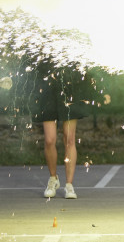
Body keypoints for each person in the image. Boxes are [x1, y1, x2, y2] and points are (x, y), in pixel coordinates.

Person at [32, 62, 99, 199]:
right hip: (48, 90)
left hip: (70, 88)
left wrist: (101, 90)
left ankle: (69, 185)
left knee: (69, 138)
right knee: (50, 140)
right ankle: (53, 179)